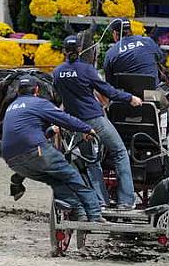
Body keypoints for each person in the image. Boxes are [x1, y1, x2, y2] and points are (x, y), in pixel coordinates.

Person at [1, 74, 106, 222]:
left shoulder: (11, 107)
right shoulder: (38, 103)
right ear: (36, 90)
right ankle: (95, 214)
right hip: (35, 151)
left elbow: (24, 130)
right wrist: (87, 129)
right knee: (72, 175)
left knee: (55, 180)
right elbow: (65, 119)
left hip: (12, 160)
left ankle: (79, 212)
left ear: (19, 91)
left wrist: (50, 131)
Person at [53, 35, 142, 210]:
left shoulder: (57, 72)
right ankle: (126, 200)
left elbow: (61, 96)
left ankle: (101, 200)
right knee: (120, 152)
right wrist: (130, 98)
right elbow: (108, 92)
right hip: (94, 120)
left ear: (63, 51)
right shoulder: (87, 70)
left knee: (91, 160)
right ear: (80, 50)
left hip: (75, 123)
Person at [103, 18, 165, 89]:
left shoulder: (111, 52)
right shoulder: (148, 41)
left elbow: (109, 81)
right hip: (152, 94)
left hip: (125, 96)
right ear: (130, 30)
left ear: (115, 34)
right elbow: (160, 59)